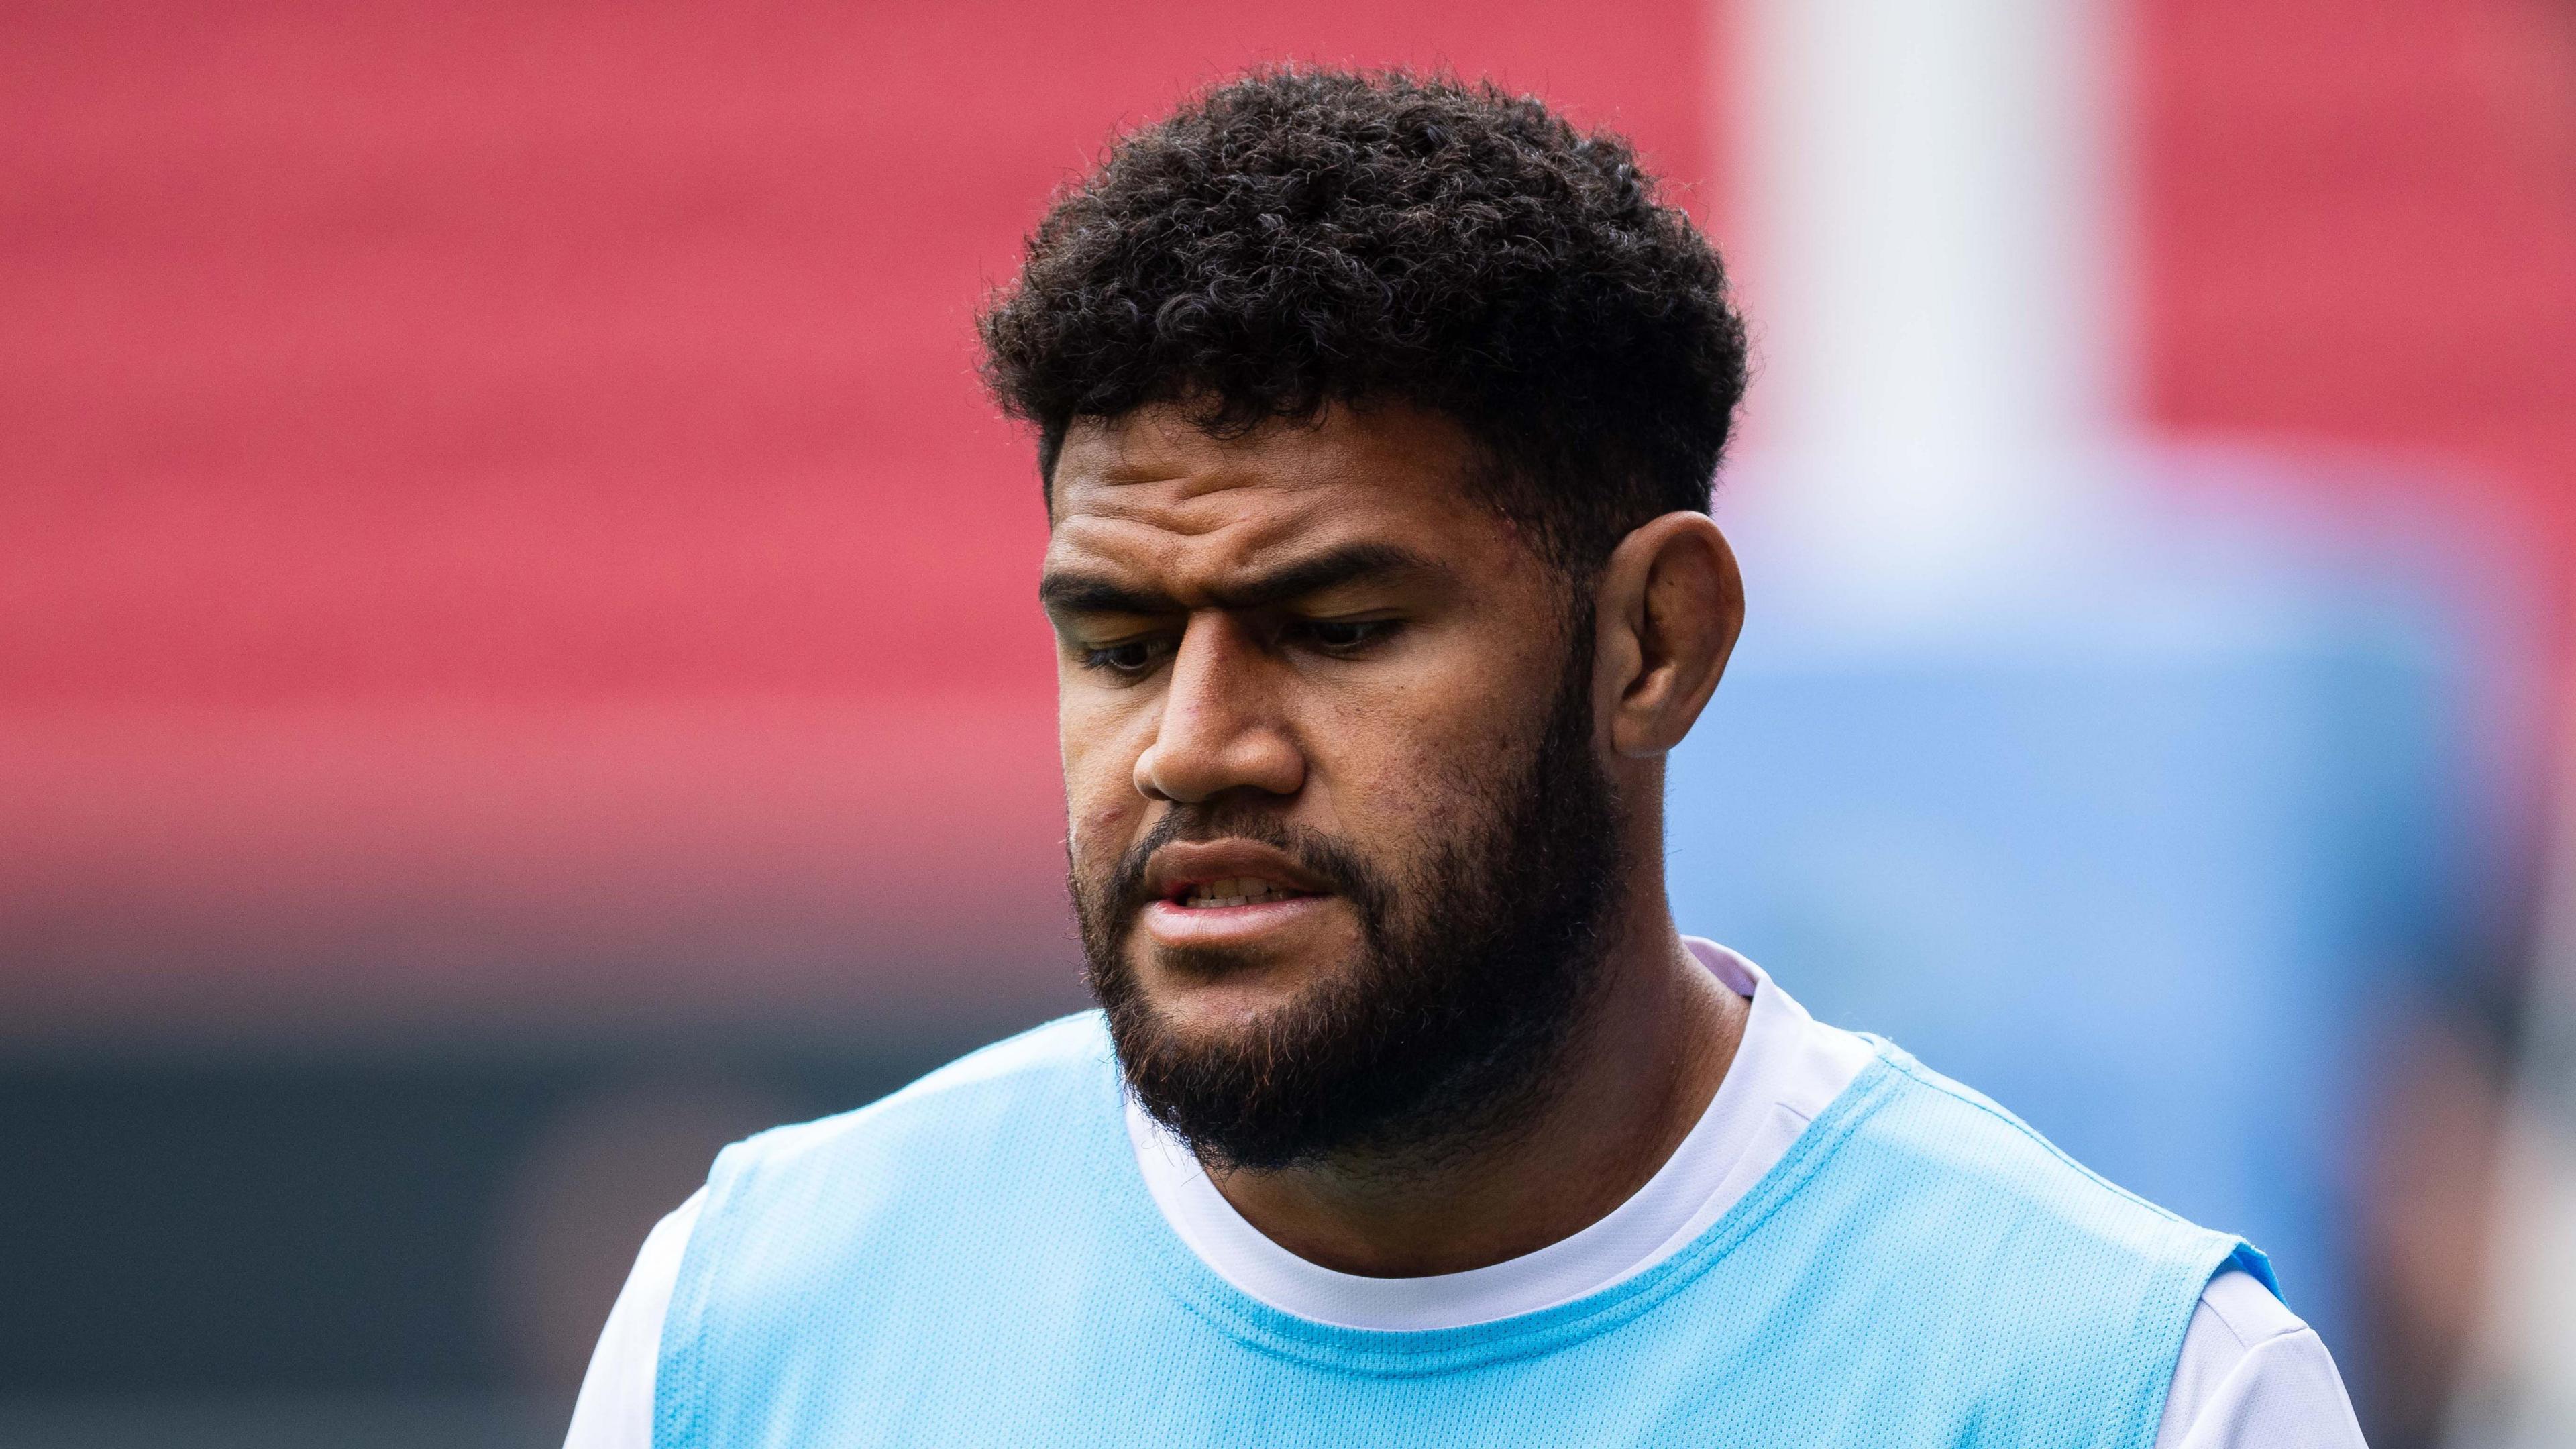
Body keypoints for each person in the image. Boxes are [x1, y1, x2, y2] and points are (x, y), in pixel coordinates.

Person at [564, 68, 2367, 1447]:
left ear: (1654, 642)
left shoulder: (2126, 1391)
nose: (1193, 749)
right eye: (1116, 642)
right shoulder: (753, 1330)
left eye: (1340, 627)